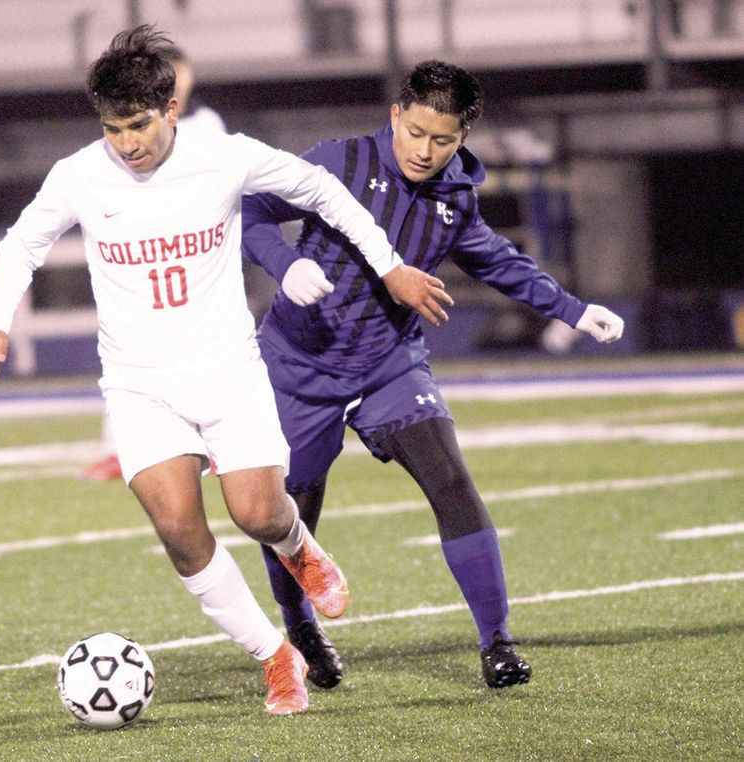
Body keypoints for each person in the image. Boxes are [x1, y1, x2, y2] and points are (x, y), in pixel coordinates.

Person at [0, 26, 452, 715]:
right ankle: (274, 657)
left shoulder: (224, 157)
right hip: (140, 384)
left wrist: (390, 266)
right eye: (113, 129)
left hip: (226, 369)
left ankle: (298, 545)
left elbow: (324, 192)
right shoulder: (80, 173)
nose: (127, 143)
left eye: (139, 125)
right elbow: (23, 244)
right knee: (179, 530)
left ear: (170, 110)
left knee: (257, 513)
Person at [242, 59, 625, 692]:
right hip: (299, 360)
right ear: (395, 115)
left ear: (463, 138)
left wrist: (574, 310)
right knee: (290, 510)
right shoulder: (338, 162)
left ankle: (496, 640)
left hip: (389, 361)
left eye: (442, 140)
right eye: (415, 132)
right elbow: (252, 211)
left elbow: (500, 262)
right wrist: (284, 266)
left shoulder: (455, 196)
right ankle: (302, 627)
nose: (424, 150)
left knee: (450, 478)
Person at [79, 43, 231, 482]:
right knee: (128, 348)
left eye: (181, 72)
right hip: (148, 252)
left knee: (210, 348)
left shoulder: (206, 124)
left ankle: (221, 443)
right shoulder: (132, 126)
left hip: (197, 255)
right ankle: (118, 448)